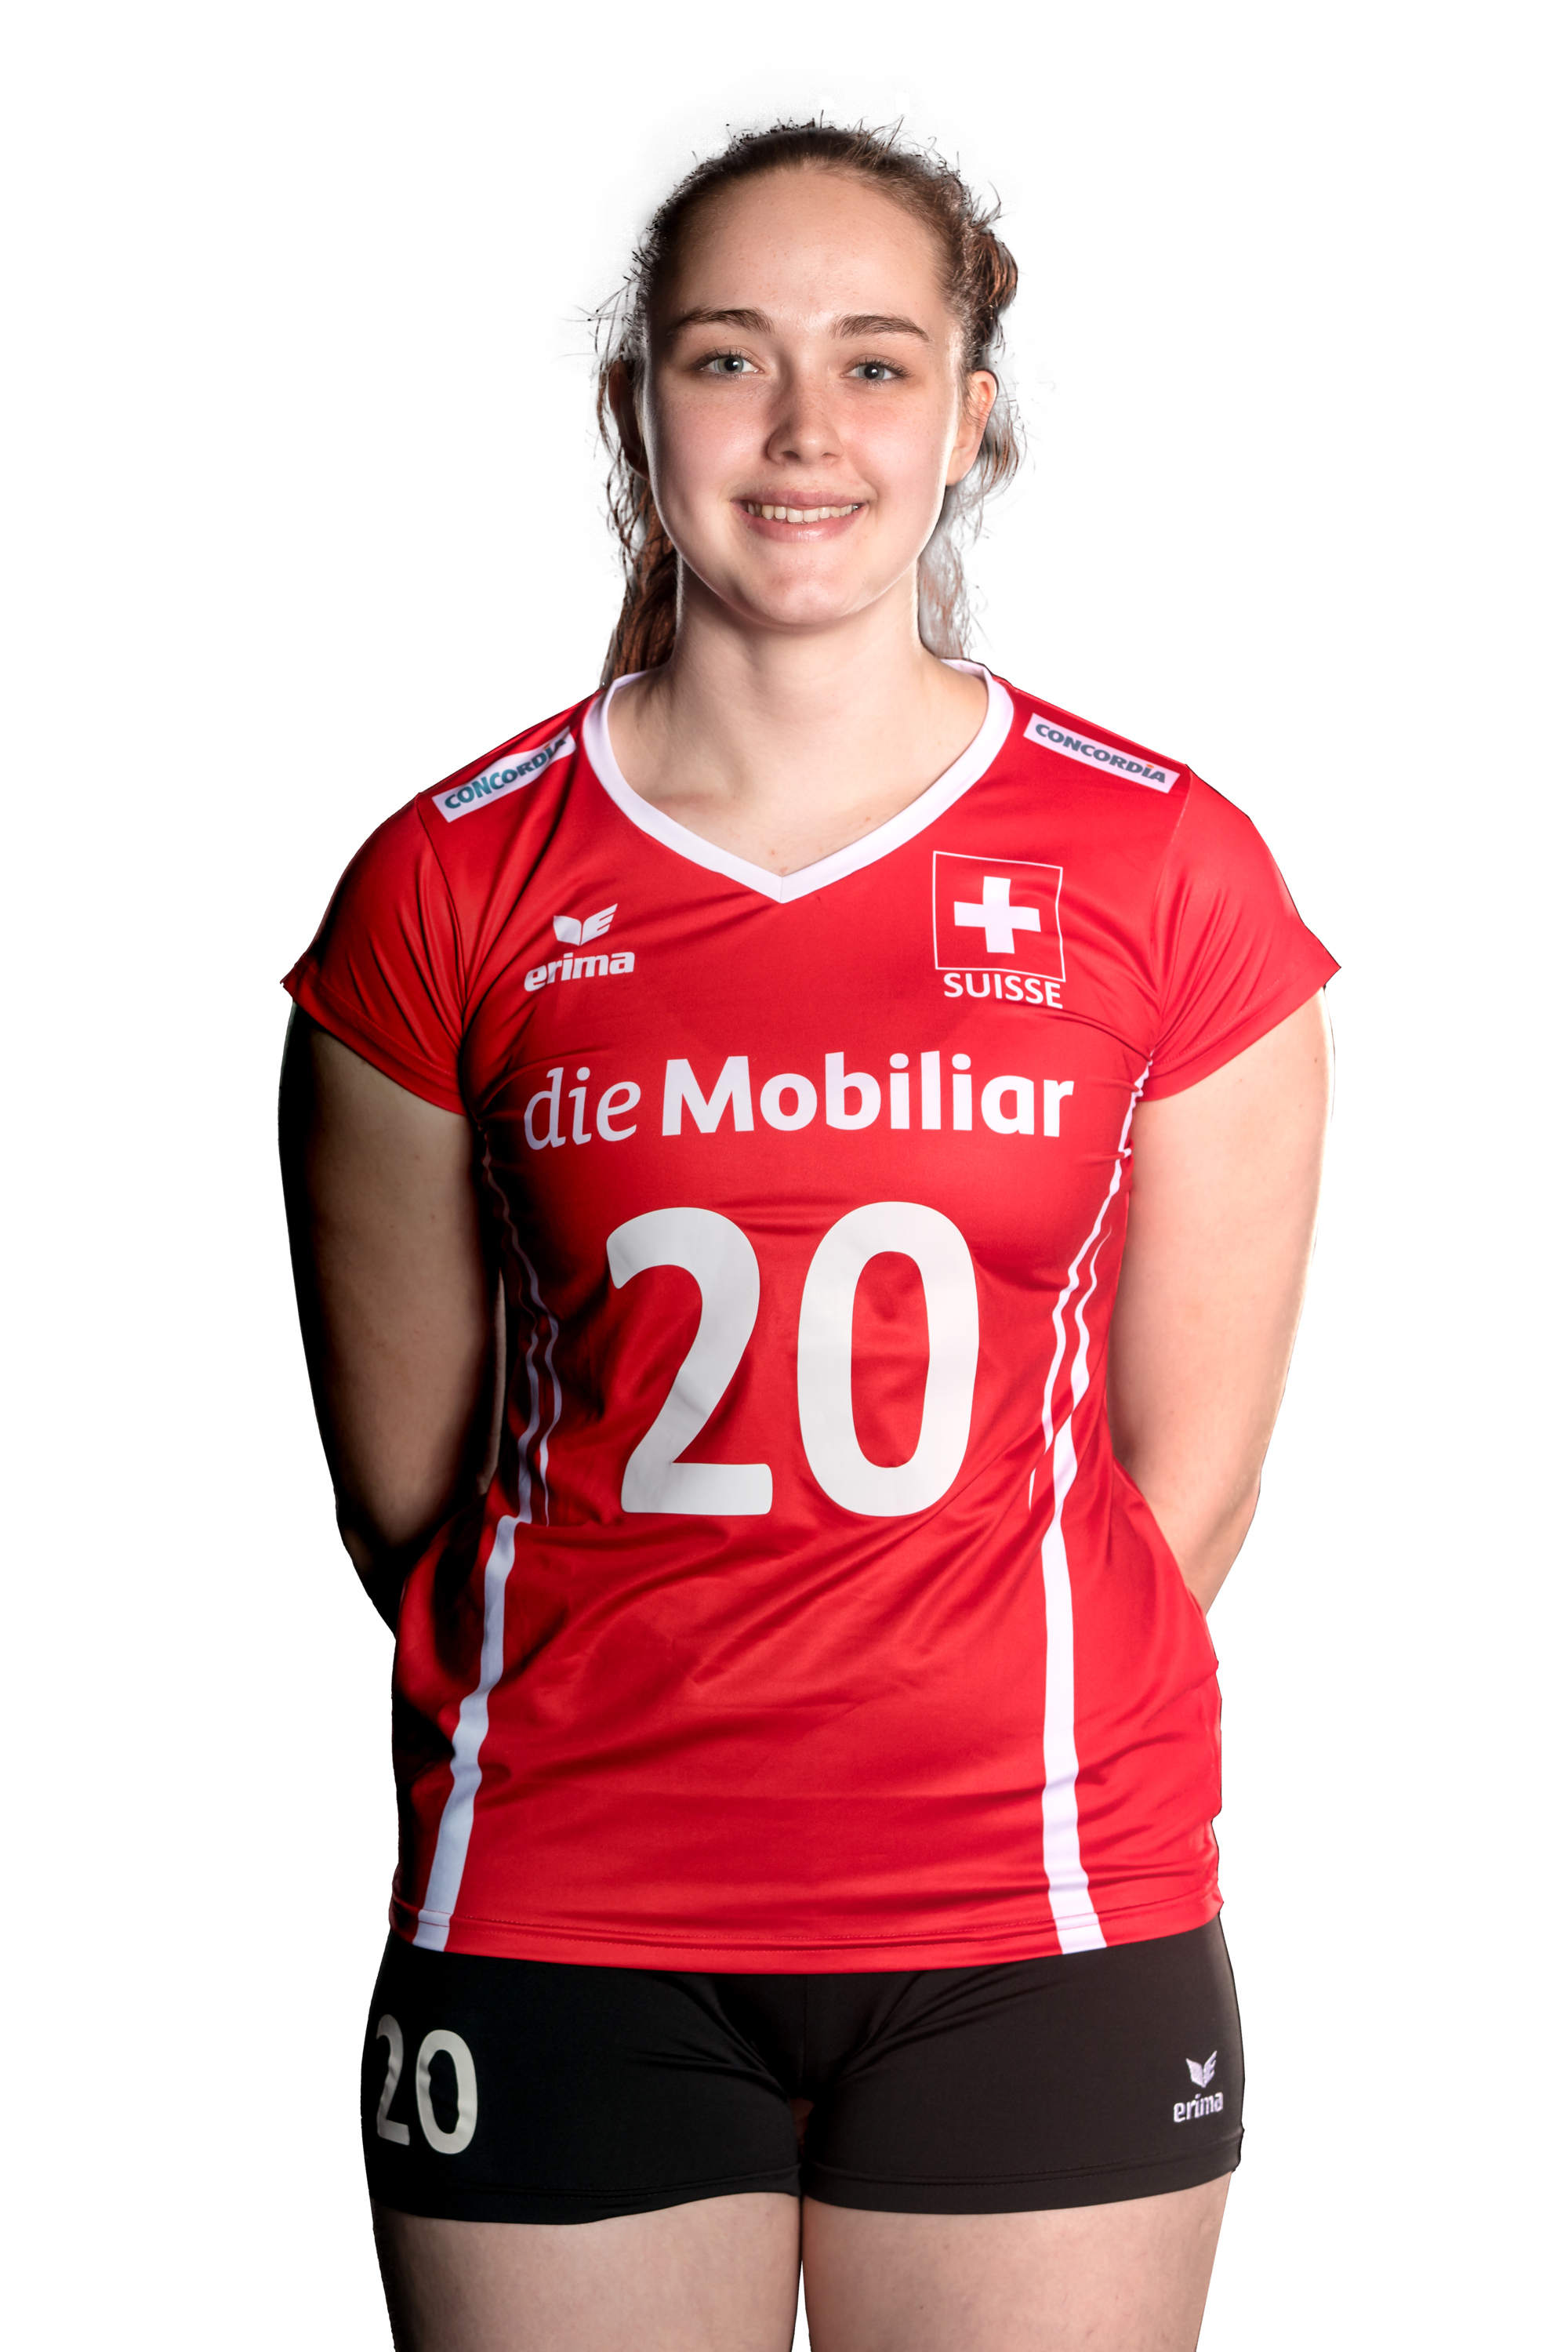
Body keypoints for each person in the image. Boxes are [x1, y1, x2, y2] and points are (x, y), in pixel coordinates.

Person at [280, 120, 1335, 2352]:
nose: (800, 430)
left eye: (874, 363)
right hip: (561, 1900)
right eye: (726, 357)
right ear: (634, 405)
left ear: (969, 415)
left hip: (1038, 1907)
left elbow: (1191, 1491)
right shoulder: (447, 883)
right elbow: (408, 1497)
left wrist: (922, 1696)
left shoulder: (1169, 873)